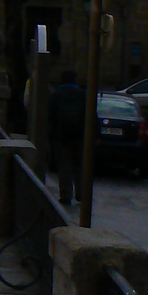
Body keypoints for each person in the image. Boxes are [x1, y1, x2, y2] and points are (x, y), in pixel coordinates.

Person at [49, 69, 86, 206]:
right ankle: (81, 193)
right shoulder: (82, 94)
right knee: (79, 165)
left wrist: (51, 135)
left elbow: (51, 116)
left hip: (62, 136)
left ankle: (66, 194)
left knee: (64, 165)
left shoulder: (57, 94)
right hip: (79, 135)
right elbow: (90, 114)